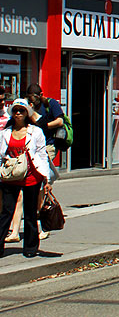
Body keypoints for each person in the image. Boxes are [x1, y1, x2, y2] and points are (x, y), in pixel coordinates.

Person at [0, 99, 52, 257]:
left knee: (30, 213)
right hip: (11, 176)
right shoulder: (5, 133)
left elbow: (43, 155)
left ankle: (30, 248)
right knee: (6, 212)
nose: (18, 114)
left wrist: (46, 178)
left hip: (32, 177)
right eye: (15, 111)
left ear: (27, 114)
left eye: (21, 111)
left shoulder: (35, 132)